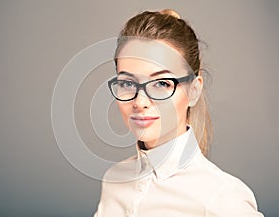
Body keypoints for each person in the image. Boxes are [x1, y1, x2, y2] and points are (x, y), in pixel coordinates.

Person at [94, 9, 264, 217]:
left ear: (194, 90)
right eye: (128, 83)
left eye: (162, 83)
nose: (140, 102)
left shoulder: (222, 198)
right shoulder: (114, 179)